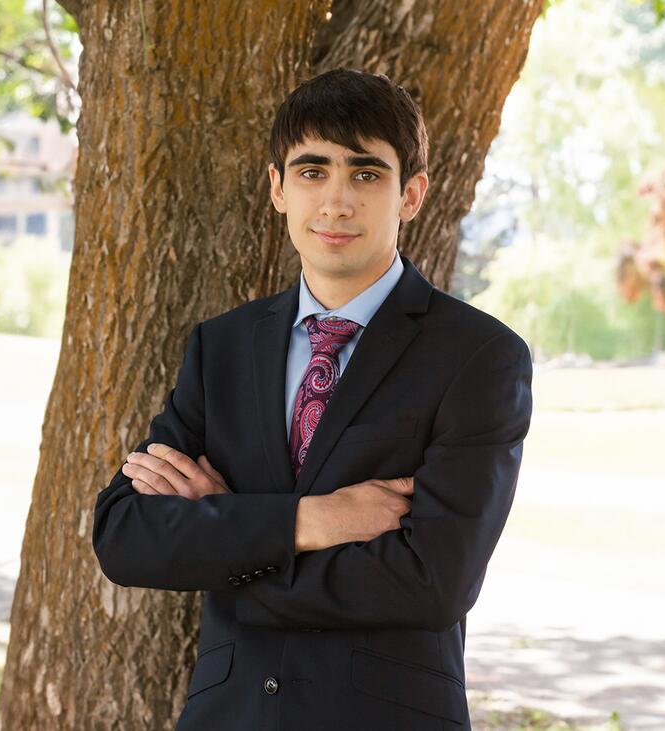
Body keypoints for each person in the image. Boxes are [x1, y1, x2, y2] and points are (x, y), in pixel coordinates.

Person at [91, 67, 533, 730]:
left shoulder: (478, 357)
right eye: (311, 171)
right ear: (277, 188)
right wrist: (310, 522)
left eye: (365, 174)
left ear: (410, 194)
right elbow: (125, 535)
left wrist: (227, 534)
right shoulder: (223, 347)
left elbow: (433, 581)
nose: (335, 202)